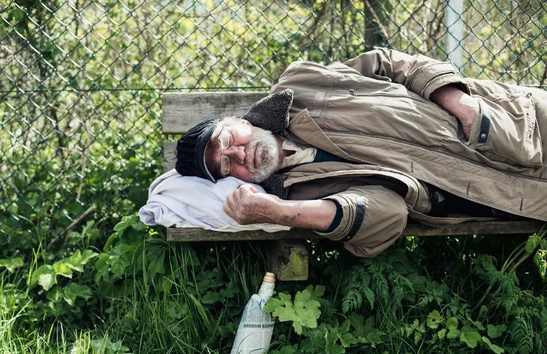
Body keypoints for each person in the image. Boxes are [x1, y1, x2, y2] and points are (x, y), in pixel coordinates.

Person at [174, 48, 547, 257]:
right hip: (503, 191)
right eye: (225, 166)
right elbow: (388, 213)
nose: (238, 156)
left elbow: (392, 64)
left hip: (514, 123)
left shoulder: (301, 83)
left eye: (227, 141)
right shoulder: (296, 192)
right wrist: (278, 211)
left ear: (239, 120)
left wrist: (462, 105)